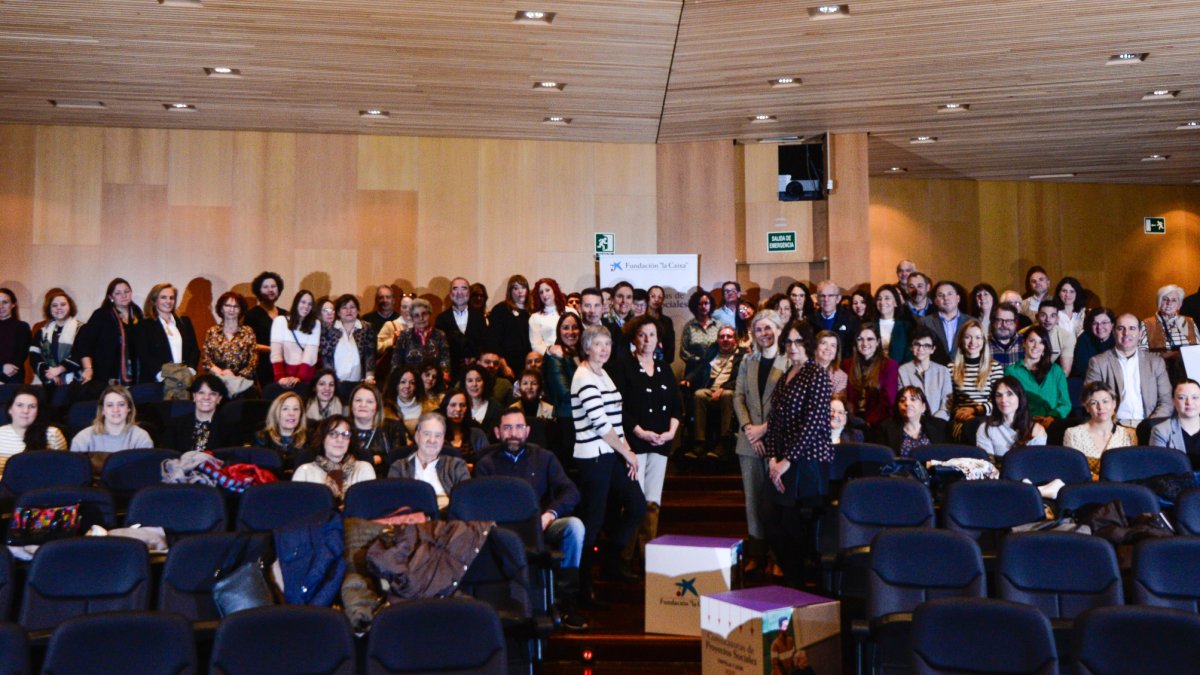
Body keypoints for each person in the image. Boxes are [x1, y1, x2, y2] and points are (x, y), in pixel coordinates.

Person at [474, 408, 587, 631]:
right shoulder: (486, 464)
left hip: (541, 524)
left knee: (575, 527)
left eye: (518, 427)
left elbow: (571, 492)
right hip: (502, 530)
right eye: (507, 428)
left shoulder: (545, 458)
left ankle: (566, 601)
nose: (513, 433)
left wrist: (549, 514)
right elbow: (481, 505)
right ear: (497, 432)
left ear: (527, 431)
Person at [571, 324, 646, 596]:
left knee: (637, 505)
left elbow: (615, 420)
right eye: (598, 344)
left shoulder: (603, 374)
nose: (604, 349)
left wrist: (628, 451)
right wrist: (627, 452)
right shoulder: (583, 376)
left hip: (612, 453)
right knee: (593, 521)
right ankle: (582, 586)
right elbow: (600, 424)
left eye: (608, 344)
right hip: (593, 457)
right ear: (587, 346)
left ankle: (610, 562)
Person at [763, 320, 832, 587]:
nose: (793, 347)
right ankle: (793, 581)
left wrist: (787, 460)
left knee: (797, 529)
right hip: (780, 459)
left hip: (806, 462)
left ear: (808, 343)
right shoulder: (786, 374)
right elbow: (775, 420)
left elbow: (814, 421)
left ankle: (801, 587)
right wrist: (772, 458)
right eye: (789, 342)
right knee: (772, 522)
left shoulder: (816, 373)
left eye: (798, 341)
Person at [617, 316, 681, 570]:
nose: (647, 340)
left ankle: (647, 560)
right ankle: (623, 559)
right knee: (634, 501)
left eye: (652, 335)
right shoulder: (624, 367)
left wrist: (671, 432)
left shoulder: (665, 368)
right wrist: (640, 432)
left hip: (661, 443)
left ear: (659, 339)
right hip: (635, 443)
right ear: (634, 338)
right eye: (642, 335)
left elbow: (676, 404)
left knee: (653, 501)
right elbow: (620, 408)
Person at [733, 310, 787, 573]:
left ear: (778, 330)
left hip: (777, 441)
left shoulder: (789, 362)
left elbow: (789, 404)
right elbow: (737, 397)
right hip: (748, 442)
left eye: (769, 328)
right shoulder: (747, 360)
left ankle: (778, 556)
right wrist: (748, 429)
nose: (764, 334)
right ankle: (757, 554)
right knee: (753, 501)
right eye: (759, 329)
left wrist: (764, 429)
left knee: (776, 500)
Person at [1085, 313, 1173, 426]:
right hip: (1113, 425)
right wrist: (1111, 426)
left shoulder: (1156, 362)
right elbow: (1092, 399)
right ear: (1113, 332)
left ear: (1140, 333)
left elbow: (1166, 401)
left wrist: (1150, 425)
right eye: (1121, 328)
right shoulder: (1098, 362)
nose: (1126, 333)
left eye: (1132, 328)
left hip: (1150, 424)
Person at [387, 412, 469, 512]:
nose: (432, 440)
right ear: (417, 436)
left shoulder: (456, 466)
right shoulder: (399, 467)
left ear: (443, 440)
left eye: (438, 435)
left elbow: (466, 500)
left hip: (447, 520)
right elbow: (393, 502)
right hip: (412, 520)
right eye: (427, 434)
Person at [683, 324, 742, 460]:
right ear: (718, 340)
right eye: (722, 337)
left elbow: (741, 378)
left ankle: (724, 442)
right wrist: (688, 379)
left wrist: (723, 388)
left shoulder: (742, 355)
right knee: (699, 394)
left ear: (735, 340)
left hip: (731, 391)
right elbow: (700, 366)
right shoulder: (712, 351)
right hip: (711, 389)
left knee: (727, 395)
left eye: (729, 336)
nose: (725, 339)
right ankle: (700, 442)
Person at [77, 278, 143, 393]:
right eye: (118, 293)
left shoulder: (138, 314)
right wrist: (88, 368)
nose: (123, 295)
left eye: (126, 291)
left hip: (135, 378)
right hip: (106, 376)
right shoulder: (102, 315)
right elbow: (84, 342)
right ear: (110, 297)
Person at [293, 414, 376, 501]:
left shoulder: (363, 468)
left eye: (345, 434)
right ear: (323, 438)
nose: (340, 439)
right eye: (333, 433)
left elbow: (369, 506)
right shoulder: (304, 471)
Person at [1064, 381, 1134, 477]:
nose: (1100, 407)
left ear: (1114, 404)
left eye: (1105, 401)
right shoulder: (1073, 434)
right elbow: (1073, 470)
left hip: (1120, 488)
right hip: (1086, 488)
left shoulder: (1129, 434)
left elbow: (1130, 470)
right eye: (1093, 403)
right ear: (1087, 407)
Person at [1005, 325, 1071, 428]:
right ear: (1024, 343)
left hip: (1053, 424)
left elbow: (1065, 403)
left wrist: (1052, 417)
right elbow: (1007, 403)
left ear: (1045, 346)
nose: (1036, 346)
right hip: (1023, 425)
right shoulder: (1011, 371)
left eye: (1041, 342)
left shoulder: (1056, 370)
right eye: (1032, 341)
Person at [135, 283, 200, 386]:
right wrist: (161, 376)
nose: (168, 301)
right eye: (163, 297)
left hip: (183, 381)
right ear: (154, 301)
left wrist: (190, 372)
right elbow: (144, 353)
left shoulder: (184, 322)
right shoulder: (144, 325)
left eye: (171, 298)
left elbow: (194, 350)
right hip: (156, 383)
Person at [949, 319, 1004, 441]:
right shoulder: (951, 369)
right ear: (961, 340)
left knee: (980, 428)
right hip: (961, 420)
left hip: (987, 418)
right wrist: (961, 413)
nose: (973, 342)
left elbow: (998, 400)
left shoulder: (994, 367)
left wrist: (975, 411)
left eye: (978, 337)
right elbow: (949, 401)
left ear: (984, 341)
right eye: (968, 337)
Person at [843, 323, 899, 429]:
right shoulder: (846, 365)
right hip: (850, 422)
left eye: (870, 339)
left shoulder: (889, 365)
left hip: (878, 424)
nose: (865, 343)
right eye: (860, 339)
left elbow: (888, 401)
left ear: (878, 342)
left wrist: (868, 423)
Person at [544, 311, 583, 463]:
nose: (571, 332)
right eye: (566, 328)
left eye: (575, 327)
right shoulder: (555, 357)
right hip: (567, 421)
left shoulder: (583, 353)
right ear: (559, 331)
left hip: (582, 418)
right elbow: (564, 393)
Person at [0, 386, 67, 475]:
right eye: (20, 405)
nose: (25, 411)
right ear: (10, 409)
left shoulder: (53, 433)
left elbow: (62, 468)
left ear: (38, 411)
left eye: (32, 406)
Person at [202, 291, 258, 397]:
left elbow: (253, 362)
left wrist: (234, 377)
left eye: (236, 306)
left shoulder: (248, 331)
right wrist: (221, 373)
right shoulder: (212, 331)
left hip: (241, 382)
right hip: (218, 380)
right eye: (227, 305)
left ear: (241, 309)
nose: (231, 310)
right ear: (221, 308)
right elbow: (206, 360)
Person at [976, 377, 1047, 459]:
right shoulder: (985, 428)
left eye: (1009, 394)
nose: (1003, 400)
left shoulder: (1037, 431)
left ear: (1020, 398)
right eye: (998, 395)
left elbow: (1034, 465)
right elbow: (986, 465)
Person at [69, 384, 153, 453]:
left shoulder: (141, 438)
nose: (115, 410)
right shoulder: (83, 438)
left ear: (129, 408)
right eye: (110, 405)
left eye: (121, 404)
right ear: (102, 410)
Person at [435, 277, 488, 381]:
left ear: (469, 293)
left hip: (475, 373)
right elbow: (439, 348)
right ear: (450, 294)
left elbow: (484, 344)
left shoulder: (479, 318)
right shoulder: (442, 319)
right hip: (451, 373)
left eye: (464, 288)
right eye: (455, 288)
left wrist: (475, 358)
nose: (460, 292)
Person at [319, 293, 376, 386]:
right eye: (344, 308)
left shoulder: (366, 328)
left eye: (352, 307)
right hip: (336, 383)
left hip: (359, 383)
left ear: (358, 310)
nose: (349, 310)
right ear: (338, 312)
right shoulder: (329, 329)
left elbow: (370, 354)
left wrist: (369, 377)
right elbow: (326, 358)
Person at [344, 383, 407, 468]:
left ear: (377, 407)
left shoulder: (392, 429)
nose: (363, 405)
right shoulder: (341, 429)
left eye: (369, 401)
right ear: (351, 405)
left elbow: (399, 462)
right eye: (358, 400)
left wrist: (380, 460)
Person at [876, 386, 950, 457]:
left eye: (913, 399)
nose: (907, 403)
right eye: (902, 400)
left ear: (923, 407)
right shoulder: (885, 428)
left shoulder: (940, 426)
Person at [30, 289, 84, 386]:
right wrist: (48, 374)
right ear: (49, 309)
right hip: (49, 381)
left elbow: (82, 354)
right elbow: (34, 356)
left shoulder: (81, 329)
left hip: (75, 382)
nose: (59, 308)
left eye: (63, 304)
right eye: (54, 305)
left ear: (70, 306)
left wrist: (60, 369)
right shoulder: (41, 332)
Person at [897, 326, 953, 420]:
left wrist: (933, 423)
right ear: (911, 347)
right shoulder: (902, 371)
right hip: (911, 421)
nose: (921, 349)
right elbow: (903, 402)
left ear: (933, 349)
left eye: (926, 345)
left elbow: (947, 405)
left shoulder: (943, 371)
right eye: (917, 344)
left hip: (938, 423)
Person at [166, 374, 231, 452]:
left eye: (213, 393)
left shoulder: (229, 427)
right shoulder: (176, 424)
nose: (206, 397)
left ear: (219, 399)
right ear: (194, 396)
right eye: (201, 392)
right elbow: (169, 455)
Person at [270, 289, 320, 388]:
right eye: (303, 302)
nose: (306, 306)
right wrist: (280, 378)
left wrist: (299, 378)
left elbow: (310, 353)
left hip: (306, 377)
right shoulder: (280, 321)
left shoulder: (315, 324)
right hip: (284, 375)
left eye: (310, 304)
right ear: (296, 302)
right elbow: (276, 353)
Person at [244, 272, 286, 388]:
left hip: (285, 363)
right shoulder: (251, 315)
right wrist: (273, 349)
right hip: (264, 365)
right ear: (258, 291)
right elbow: (249, 343)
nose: (270, 290)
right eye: (265, 287)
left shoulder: (285, 314)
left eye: (273, 286)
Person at [391, 298, 451, 375]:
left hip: (433, 380)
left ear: (430, 314)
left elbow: (445, 360)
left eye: (424, 314)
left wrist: (443, 378)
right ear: (412, 318)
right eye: (416, 315)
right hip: (411, 382)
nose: (421, 318)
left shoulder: (440, 335)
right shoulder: (404, 335)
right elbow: (396, 362)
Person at [253, 391, 308, 470]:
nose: (291, 413)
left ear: (301, 414)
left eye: (296, 409)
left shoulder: (309, 438)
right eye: (285, 409)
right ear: (276, 413)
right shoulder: (262, 437)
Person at [488, 275, 532, 372]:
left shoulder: (532, 311)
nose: (520, 291)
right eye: (515, 288)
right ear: (510, 291)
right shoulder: (501, 309)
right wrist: (504, 366)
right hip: (508, 364)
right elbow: (494, 341)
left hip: (528, 364)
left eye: (523, 287)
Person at [1151, 380, 1200, 467]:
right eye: (1182, 397)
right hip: (1177, 479)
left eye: (1195, 397)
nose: (1189, 402)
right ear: (1173, 401)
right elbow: (1158, 466)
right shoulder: (1161, 431)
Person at [1142, 284, 1198, 359]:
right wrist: (1167, 355)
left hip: (1186, 367)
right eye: (1165, 299)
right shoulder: (1147, 324)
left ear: (1179, 305)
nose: (1169, 303)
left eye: (1174, 300)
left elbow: (1198, 348)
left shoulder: (1188, 322)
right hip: (1159, 368)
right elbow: (1141, 354)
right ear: (1158, 302)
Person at [919, 280, 968, 364]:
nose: (946, 298)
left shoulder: (970, 322)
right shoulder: (925, 322)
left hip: (964, 370)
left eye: (950, 294)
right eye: (941, 295)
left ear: (958, 298)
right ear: (935, 301)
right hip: (934, 371)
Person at [680, 289, 727, 376]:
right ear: (695, 306)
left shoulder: (719, 325)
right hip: (694, 371)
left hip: (716, 370)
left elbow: (725, 347)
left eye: (706, 303)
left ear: (711, 305)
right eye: (700, 304)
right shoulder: (689, 326)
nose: (703, 306)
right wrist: (700, 361)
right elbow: (683, 352)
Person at [808, 280, 859, 355]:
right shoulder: (810, 321)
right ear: (818, 299)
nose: (826, 299)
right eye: (822, 296)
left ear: (838, 299)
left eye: (830, 295)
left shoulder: (851, 321)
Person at [438, 389, 488, 462]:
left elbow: (487, 462)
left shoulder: (477, 434)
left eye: (462, 405)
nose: (458, 409)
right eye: (453, 405)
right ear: (445, 407)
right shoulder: (436, 434)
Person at [509, 369, 553, 448]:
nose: (529, 387)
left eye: (534, 383)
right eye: (525, 383)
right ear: (519, 386)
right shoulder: (511, 409)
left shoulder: (550, 409)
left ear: (540, 387)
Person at [1034, 298, 1076, 375]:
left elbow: (1065, 371)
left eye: (1052, 316)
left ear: (1057, 319)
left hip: (1050, 377)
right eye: (1043, 315)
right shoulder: (1024, 334)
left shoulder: (1066, 337)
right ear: (1037, 317)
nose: (1048, 320)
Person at [1071, 307, 1116, 380]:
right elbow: (1080, 369)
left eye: (1104, 323)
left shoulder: (1117, 339)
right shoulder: (1084, 339)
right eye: (1095, 323)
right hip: (1088, 381)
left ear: (1112, 325)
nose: (1099, 327)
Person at [384, 365, 428, 436]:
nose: (407, 386)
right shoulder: (386, 410)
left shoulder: (430, 408)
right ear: (396, 385)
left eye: (412, 383)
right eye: (403, 382)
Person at [462, 365, 502, 443]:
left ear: (485, 382)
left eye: (478, 380)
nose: (474, 384)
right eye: (470, 381)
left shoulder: (496, 408)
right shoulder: (459, 406)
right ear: (464, 384)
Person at [874, 284, 911, 363]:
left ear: (896, 303)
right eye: (879, 299)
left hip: (900, 372)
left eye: (887, 298)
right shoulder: (869, 326)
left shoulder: (906, 327)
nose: (882, 302)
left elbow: (909, 355)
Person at [529, 277, 566, 356]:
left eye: (547, 290)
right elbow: (536, 345)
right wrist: (550, 351)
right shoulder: (535, 318)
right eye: (541, 292)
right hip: (550, 359)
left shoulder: (570, 311)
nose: (544, 294)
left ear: (555, 291)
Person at [0, 289, 30, 385]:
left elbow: (21, 355)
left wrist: (3, 377)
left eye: (5, 302)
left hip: (14, 378)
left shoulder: (22, 327)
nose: (1, 306)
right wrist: (1, 368)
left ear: (13, 304)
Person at [647, 285, 676, 365]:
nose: (656, 299)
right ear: (647, 298)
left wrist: (664, 364)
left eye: (660, 297)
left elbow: (670, 347)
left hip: (662, 363)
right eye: (653, 296)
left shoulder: (667, 321)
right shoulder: (641, 319)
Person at [813, 330, 847, 395]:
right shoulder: (802, 368)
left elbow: (836, 402)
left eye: (833, 345)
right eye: (824, 343)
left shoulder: (841, 377)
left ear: (836, 353)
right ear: (815, 347)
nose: (828, 348)